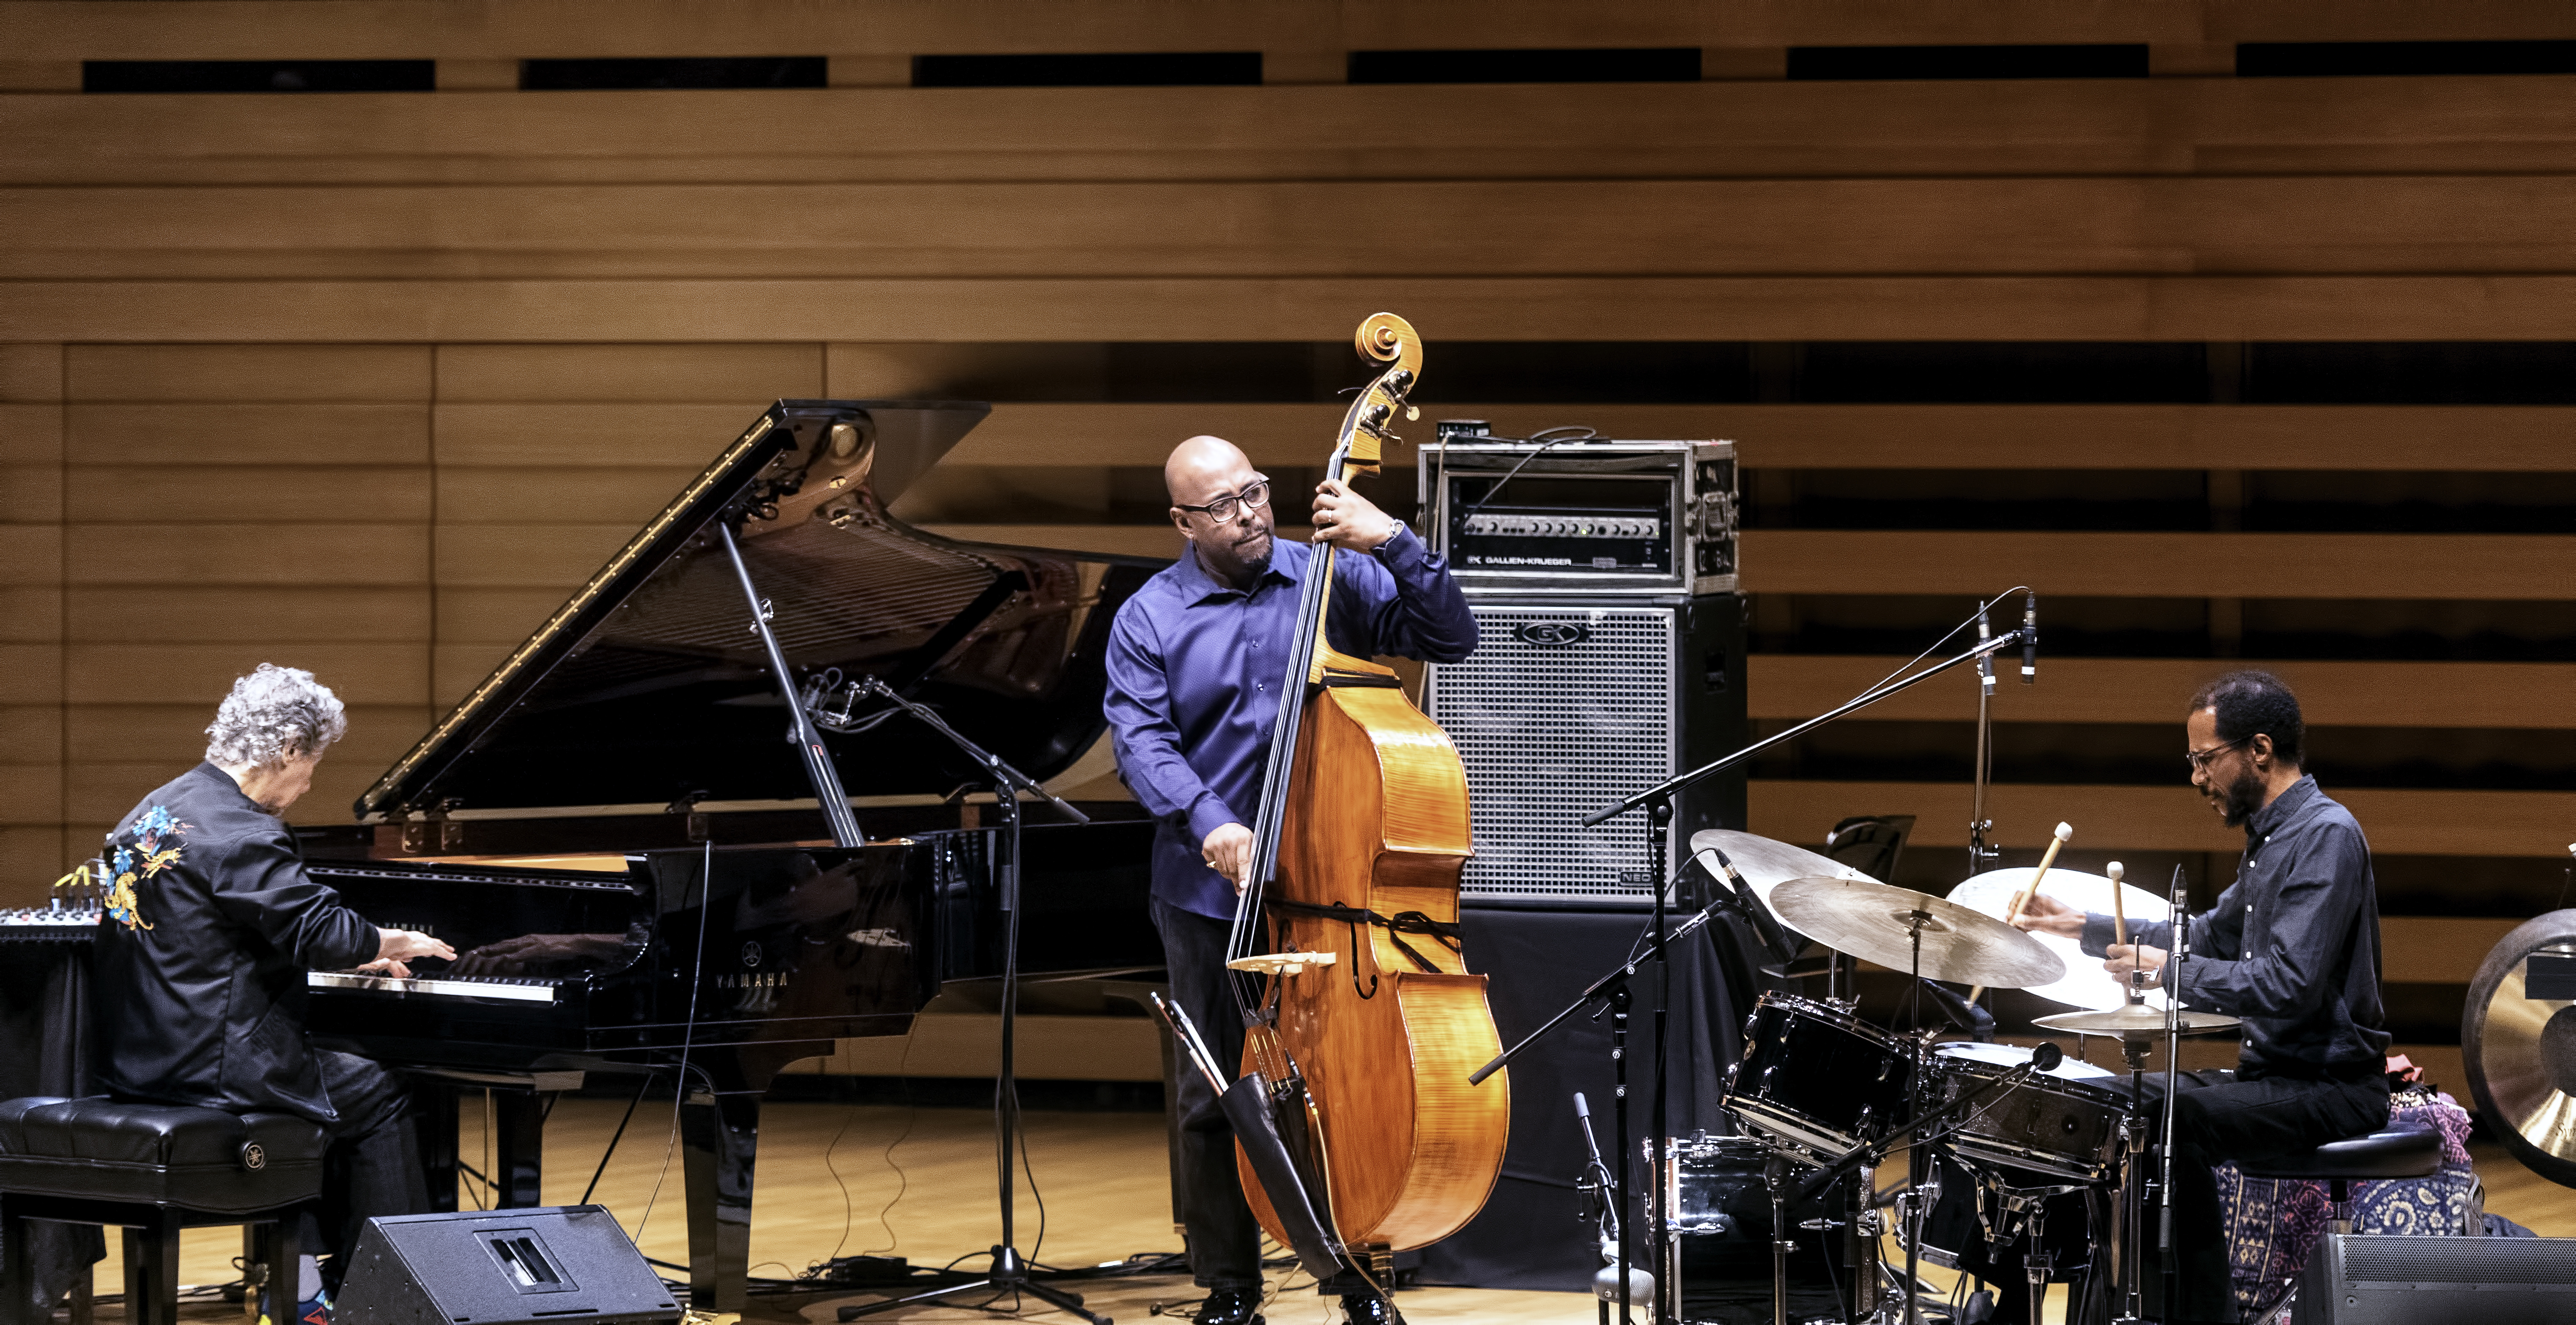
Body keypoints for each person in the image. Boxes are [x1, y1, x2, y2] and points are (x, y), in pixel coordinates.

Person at [1104, 436, 1478, 1325]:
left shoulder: (1329, 579)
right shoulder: (1148, 618)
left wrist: (1390, 541)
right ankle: (1231, 1287)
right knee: (1212, 1091)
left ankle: (1356, 1277)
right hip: (1210, 892)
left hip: (1337, 888)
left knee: (1344, 1084)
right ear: (1183, 522)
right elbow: (1140, 742)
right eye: (1224, 505)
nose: (1250, 515)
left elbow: (1450, 637)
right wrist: (1213, 821)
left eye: (1257, 492)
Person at [2014, 670, 2389, 1324]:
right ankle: (2110, 1308)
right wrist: (2081, 924)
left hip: (2332, 1084)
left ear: (2260, 751)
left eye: (2204, 759)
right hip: (2274, 1074)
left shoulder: (2327, 836)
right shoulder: (2271, 838)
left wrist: (2167, 972)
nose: (2195, 777)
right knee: (2115, 1102)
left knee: (2174, 1122)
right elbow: (2212, 935)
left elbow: (2289, 984)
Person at [92, 664, 454, 1325]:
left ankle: (304, 1282)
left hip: (140, 1059)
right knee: (377, 1091)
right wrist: (386, 940)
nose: (309, 783)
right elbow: (320, 927)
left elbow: (210, 940)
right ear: (287, 749)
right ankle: (397, 1299)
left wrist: (358, 956)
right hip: (216, 1070)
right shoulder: (244, 832)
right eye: (311, 765)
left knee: (325, 1077)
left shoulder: (153, 812)